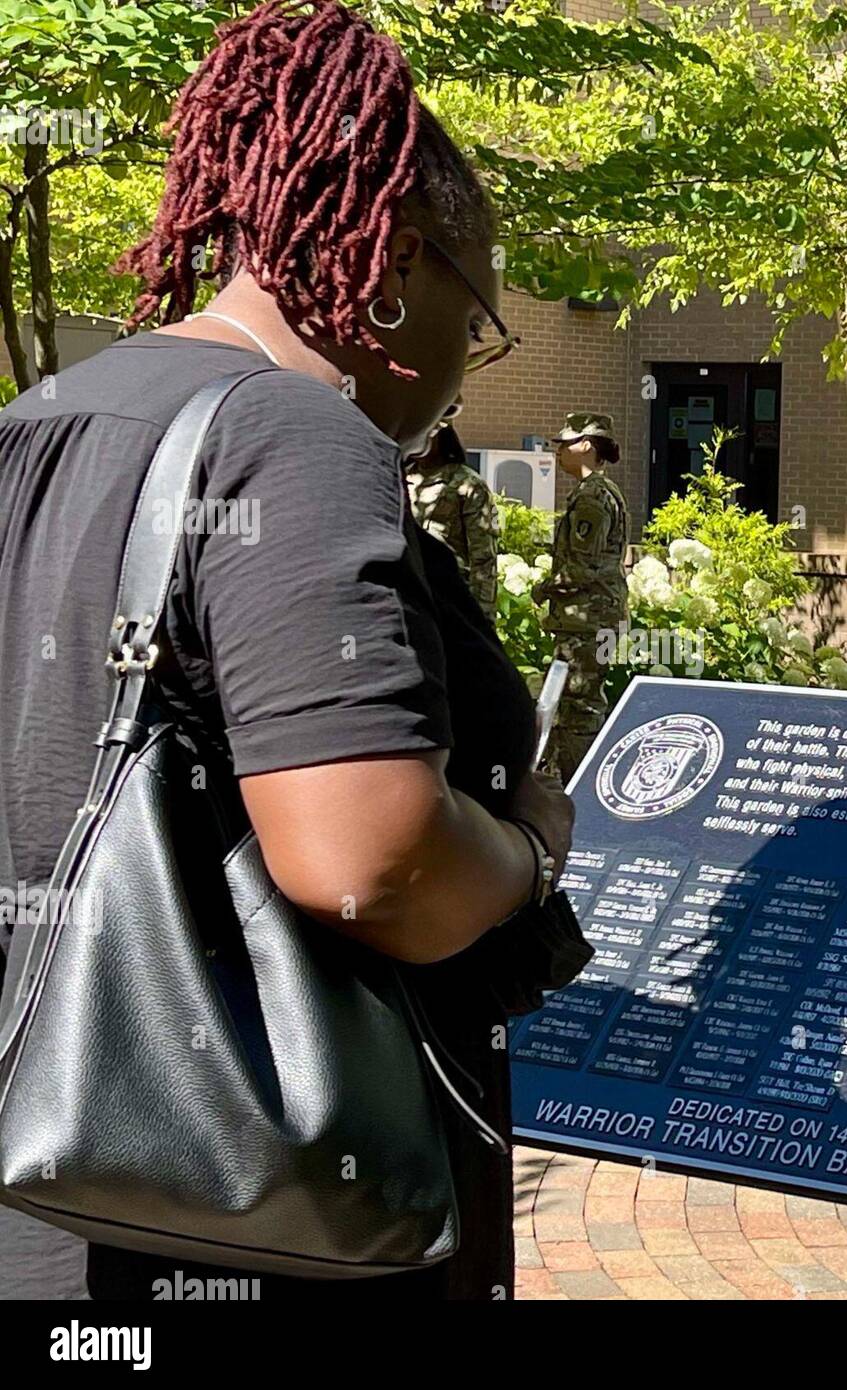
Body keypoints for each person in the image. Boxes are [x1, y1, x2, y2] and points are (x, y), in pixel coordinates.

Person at [0, 0, 572, 1301]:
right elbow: (368, 859)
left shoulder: (35, 424)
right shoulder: (293, 435)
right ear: (395, 265)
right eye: (473, 318)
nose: (465, 371)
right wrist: (533, 845)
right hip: (259, 1217)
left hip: (47, 1208)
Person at [533, 412, 629, 782]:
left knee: (578, 708)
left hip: (587, 620)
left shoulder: (592, 498)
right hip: (592, 618)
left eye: (565, 444)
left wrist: (542, 588)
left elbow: (581, 568)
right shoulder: (602, 493)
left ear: (587, 445)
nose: (558, 451)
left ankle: (578, 786)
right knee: (575, 703)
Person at [408, 422, 499, 621]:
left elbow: (483, 557)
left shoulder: (467, 484)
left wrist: (482, 616)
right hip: (410, 597)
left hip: (449, 598)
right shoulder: (400, 479)